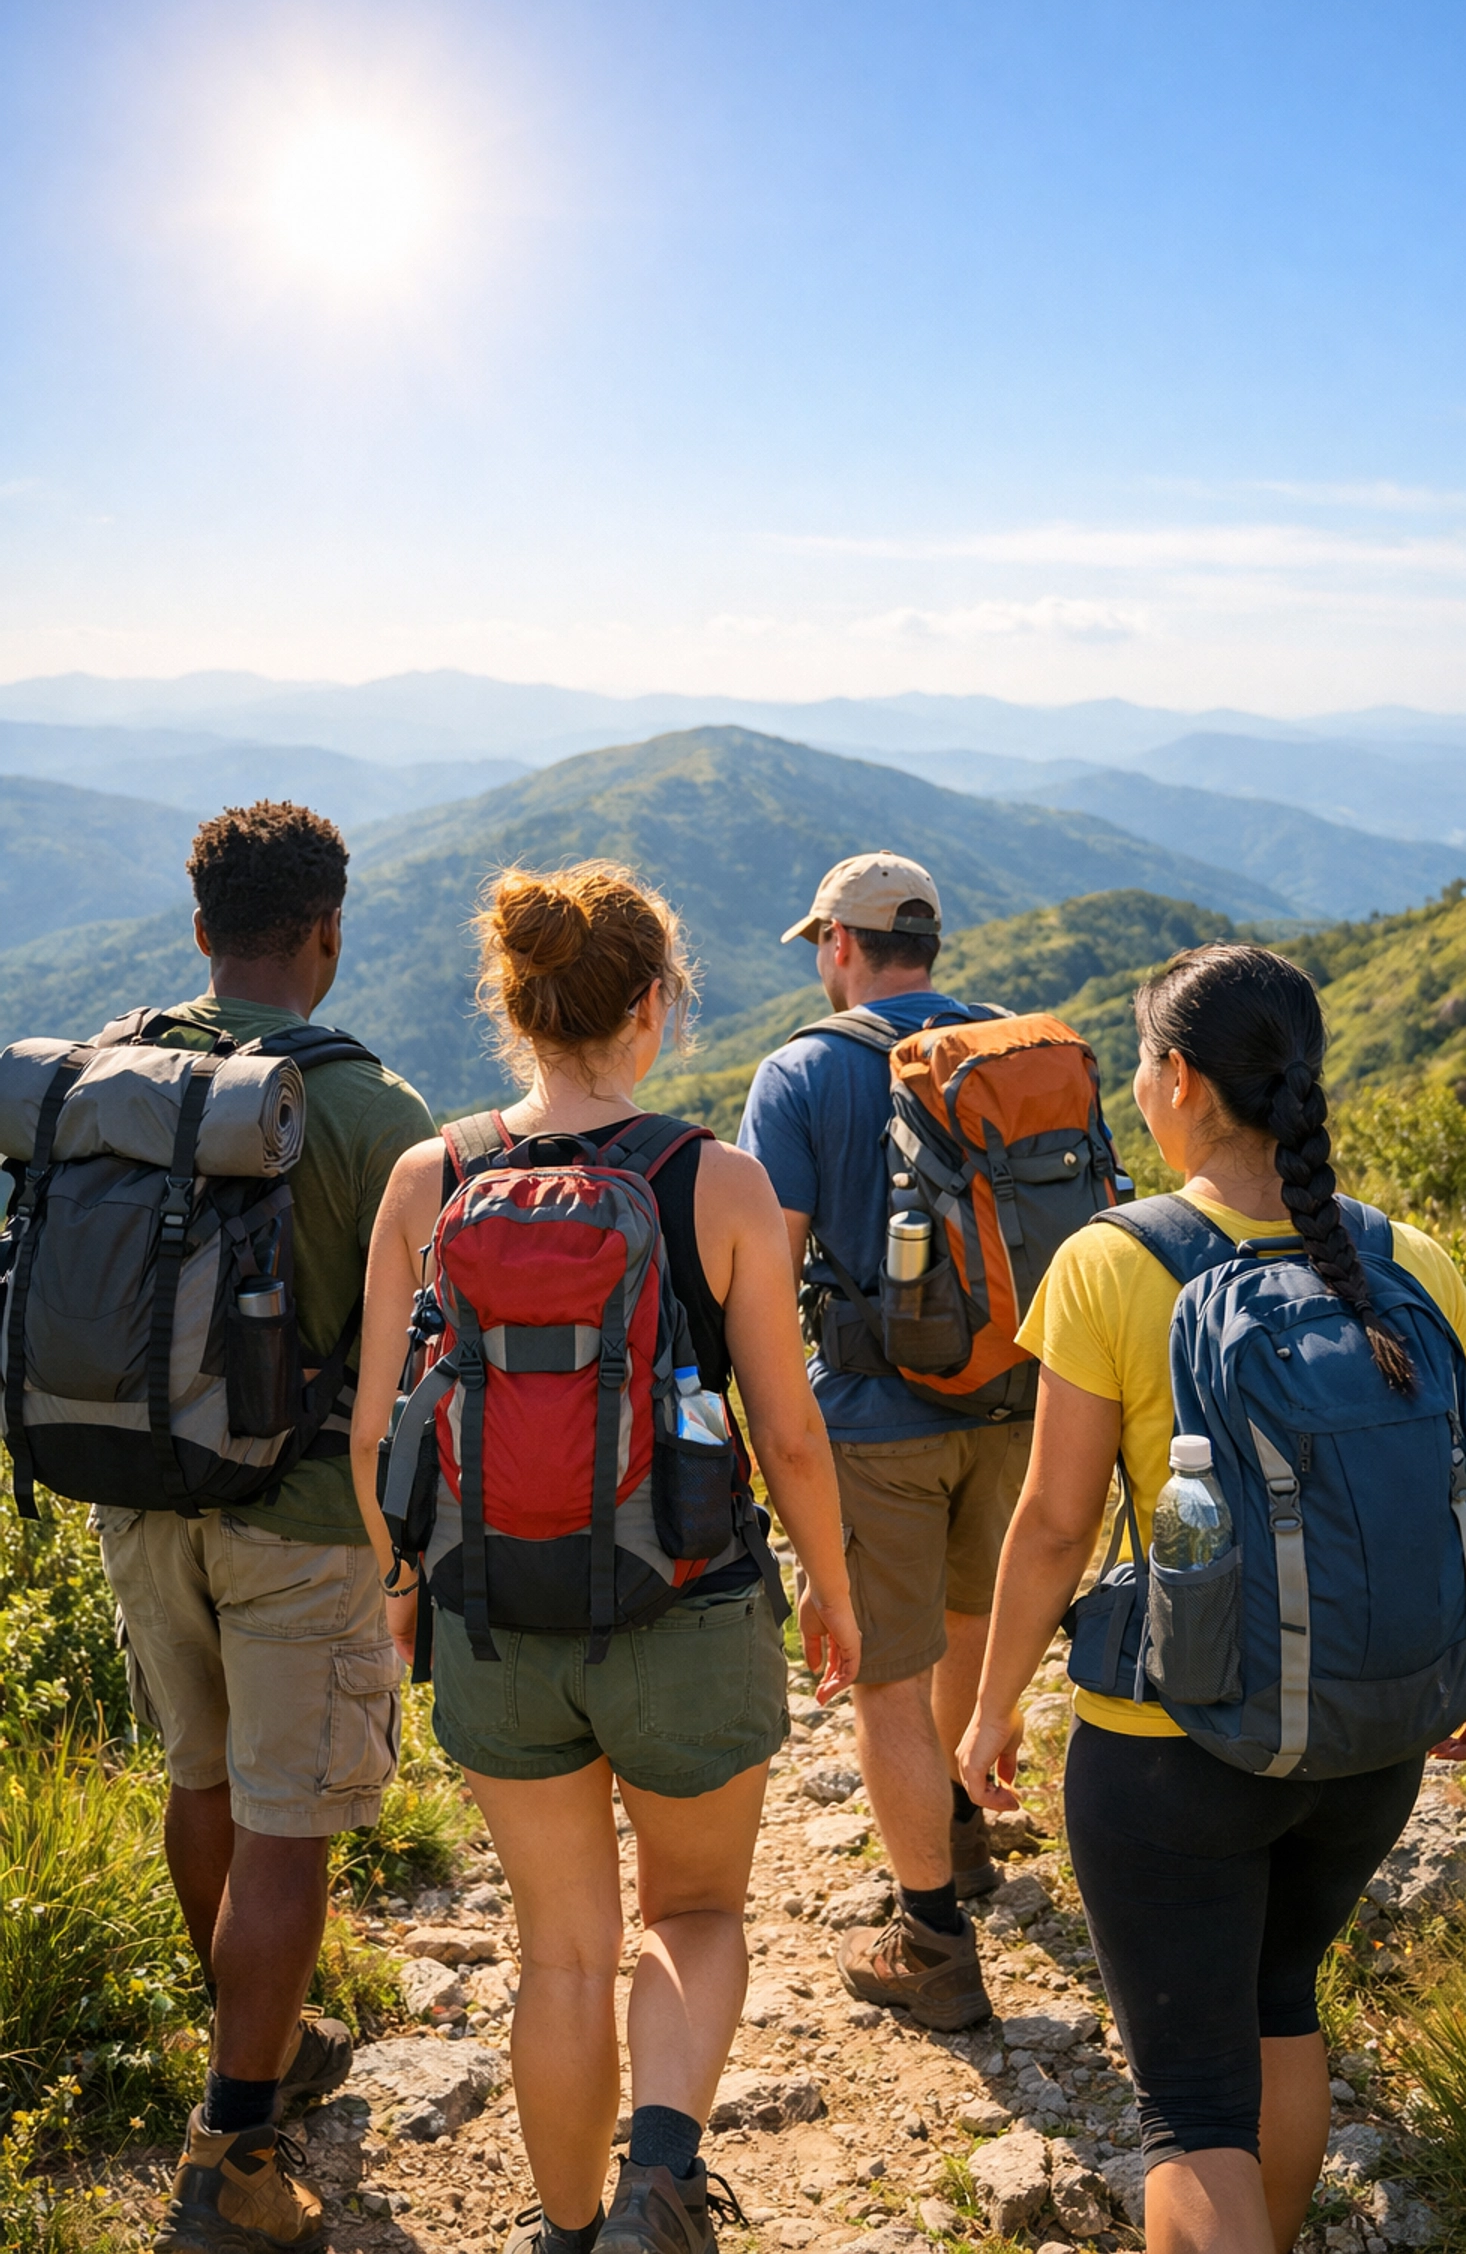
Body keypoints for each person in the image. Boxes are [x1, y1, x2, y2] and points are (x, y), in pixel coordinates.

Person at [959, 943, 1466, 2254]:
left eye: (1142, 1060)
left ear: (1179, 1079)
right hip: (1371, 1740)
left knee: (1190, 2105)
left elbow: (1050, 1525)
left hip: (1175, 1750)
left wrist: (988, 1716)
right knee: (1278, 2006)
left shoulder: (1114, 1260)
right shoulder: (1414, 1257)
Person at [350, 861, 860, 2254]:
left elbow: (373, 1432)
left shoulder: (430, 1178)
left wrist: (407, 1592)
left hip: (496, 1625)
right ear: (652, 1009)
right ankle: (660, 2175)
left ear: (513, 1006)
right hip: (687, 1609)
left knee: (560, 1954)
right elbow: (791, 1436)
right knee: (693, 1911)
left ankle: (569, 2233)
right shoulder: (719, 1183)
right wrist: (828, 1588)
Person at [93, 802, 438, 2254]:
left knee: (204, 1781)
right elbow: (417, 1357)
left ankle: (259, 2045)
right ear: (326, 933)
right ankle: (236, 2147)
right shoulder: (377, 1115)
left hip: (135, 1496)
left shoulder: (110, 1067)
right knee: (290, 1830)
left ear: (197, 930)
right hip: (301, 1519)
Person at [737, 852, 1031, 2030]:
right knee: (968, 1616)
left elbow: (764, 1268)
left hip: (874, 1419)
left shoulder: (802, 1072)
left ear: (843, 947)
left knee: (885, 1681)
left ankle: (933, 1939)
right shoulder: (1024, 1050)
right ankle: (957, 1835)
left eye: (822, 942)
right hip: (1017, 1401)